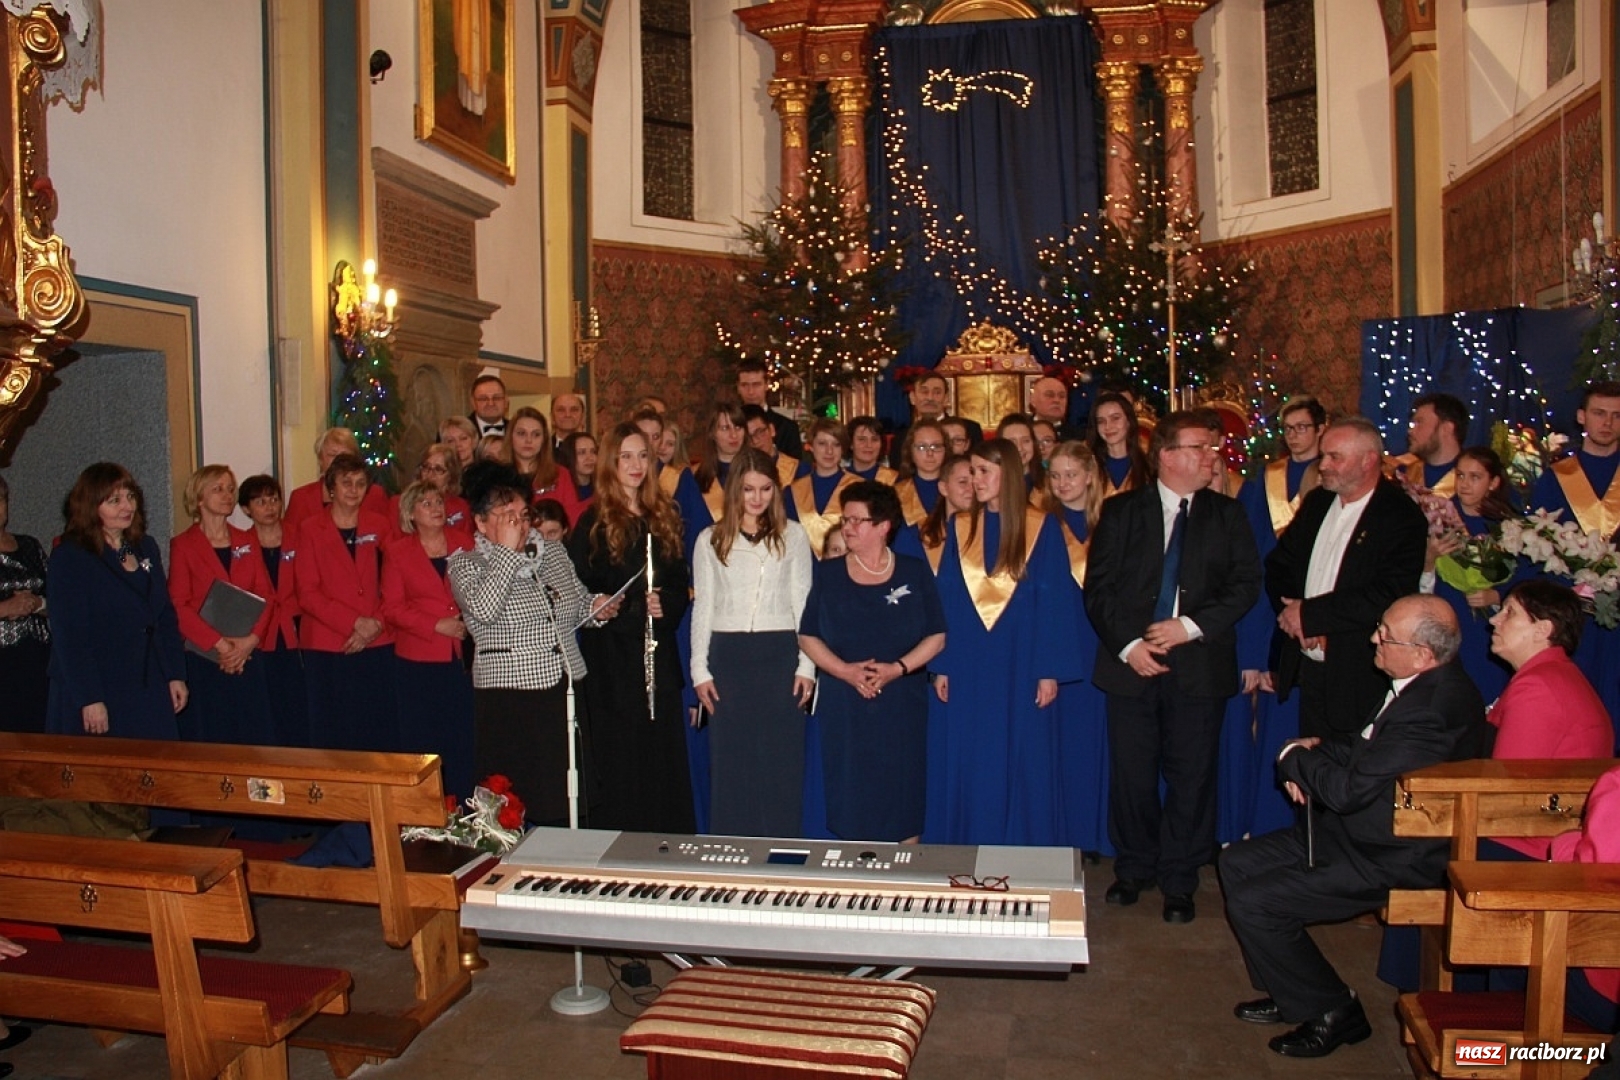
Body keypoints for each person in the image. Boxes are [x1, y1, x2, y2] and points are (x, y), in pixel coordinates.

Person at [1219, 594, 1488, 1060]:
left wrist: (1293, 757)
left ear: (1422, 654)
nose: (1373, 639)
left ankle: (1336, 1009)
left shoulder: (1433, 708)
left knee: (1255, 902)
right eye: (1380, 626)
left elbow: (1346, 791)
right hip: (1359, 834)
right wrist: (1312, 751)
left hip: (1392, 855)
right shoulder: (1419, 683)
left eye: (1386, 635)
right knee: (1236, 862)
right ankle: (1292, 989)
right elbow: (1362, 750)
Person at [1085, 412, 1262, 922]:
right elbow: (1099, 590)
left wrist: (1190, 626)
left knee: (1193, 777)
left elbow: (1246, 585)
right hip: (1131, 666)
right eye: (1200, 447)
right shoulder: (1122, 511)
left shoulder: (1227, 515)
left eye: (1212, 447)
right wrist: (1128, 647)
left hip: (1199, 666)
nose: (1212, 456)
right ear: (1166, 454)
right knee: (1132, 776)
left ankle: (1180, 877)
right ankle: (1135, 866)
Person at [928, 438, 1084, 846]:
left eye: (984, 471)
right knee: (972, 752)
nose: (975, 480)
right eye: (972, 471)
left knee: (1023, 752)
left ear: (1008, 474)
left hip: (1022, 658)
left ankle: (1022, 845)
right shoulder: (960, 527)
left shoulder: (1042, 527)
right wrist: (943, 665)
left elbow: (1054, 603)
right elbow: (948, 599)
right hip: (970, 659)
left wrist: (1049, 670)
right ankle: (969, 842)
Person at [449, 483, 621, 825]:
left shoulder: (553, 553)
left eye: (524, 515)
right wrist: (506, 553)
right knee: (516, 800)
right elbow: (484, 610)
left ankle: (567, 850)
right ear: (481, 522)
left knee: (564, 795)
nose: (520, 523)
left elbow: (574, 602)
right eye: (507, 516)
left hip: (563, 686)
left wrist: (596, 607)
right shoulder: (466, 564)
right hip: (510, 696)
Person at [798, 481, 946, 842]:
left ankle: (905, 870)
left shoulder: (913, 571)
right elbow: (808, 635)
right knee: (852, 793)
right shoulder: (828, 573)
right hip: (845, 702)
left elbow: (937, 635)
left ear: (883, 526)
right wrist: (845, 672)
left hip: (901, 701)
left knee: (903, 792)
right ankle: (858, 869)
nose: (847, 527)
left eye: (857, 520)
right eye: (845, 519)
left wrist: (898, 669)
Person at [1266, 417, 1428, 743]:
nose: (1323, 465)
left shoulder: (1400, 515)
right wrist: (1296, 619)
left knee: (1353, 767)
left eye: (1334, 457)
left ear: (1368, 460)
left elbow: (1389, 594)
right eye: (1323, 456)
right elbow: (1279, 565)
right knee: (1311, 763)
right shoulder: (1318, 502)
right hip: (1309, 664)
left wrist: (1313, 617)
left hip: (1358, 673)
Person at [566, 422, 693, 834]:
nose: (636, 465)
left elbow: (678, 582)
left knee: (660, 755)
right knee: (622, 756)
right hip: (613, 662)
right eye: (626, 457)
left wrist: (666, 604)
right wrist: (611, 606)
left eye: (643, 456)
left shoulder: (664, 515)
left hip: (658, 655)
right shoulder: (593, 523)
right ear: (610, 463)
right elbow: (580, 587)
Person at [690, 447, 815, 836]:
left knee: (782, 762)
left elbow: (803, 602)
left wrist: (807, 666)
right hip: (728, 657)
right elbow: (703, 608)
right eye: (748, 489)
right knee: (731, 763)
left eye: (765, 489)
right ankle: (731, 854)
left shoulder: (794, 535)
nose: (757, 498)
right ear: (735, 491)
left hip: (780, 655)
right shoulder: (710, 539)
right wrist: (699, 670)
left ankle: (782, 852)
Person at [46, 463, 188, 739]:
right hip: (97, 685)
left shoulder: (144, 547)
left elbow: (163, 617)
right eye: (115, 500)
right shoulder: (71, 557)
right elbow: (70, 636)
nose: (127, 506)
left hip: (147, 681)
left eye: (130, 496)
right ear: (91, 506)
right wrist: (89, 697)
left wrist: (174, 674)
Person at [1239, 395, 1326, 838]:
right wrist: (1254, 654)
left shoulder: (1332, 477)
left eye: (1302, 427)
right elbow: (1252, 562)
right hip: (1272, 614)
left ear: (1321, 428)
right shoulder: (1266, 480)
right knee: (1276, 723)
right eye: (1288, 428)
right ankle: (1270, 827)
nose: (1294, 436)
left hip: (1321, 612)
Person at [1530, 381, 1620, 735]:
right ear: (1582, 416)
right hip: (1573, 613)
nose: (1607, 423)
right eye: (1599, 413)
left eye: (1617, 416)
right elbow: (1538, 546)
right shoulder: (1556, 478)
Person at [168, 465, 277, 746]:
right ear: (198, 498)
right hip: (205, 656)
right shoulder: (183, 545)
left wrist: (251, 641)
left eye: (230, 489)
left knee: (253, 738)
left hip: (246, 655)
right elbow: (178, 605)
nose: (227, 495)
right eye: (218, 489)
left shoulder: (247, 540)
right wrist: (221, 645)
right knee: (212, 736)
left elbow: (266, 595)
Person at [294, 453, 395, 751]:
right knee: (331, 731)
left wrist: (375, 624)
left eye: (361, 483)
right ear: (331, 488)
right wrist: (354, 623)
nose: (354, 489)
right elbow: (307, 592)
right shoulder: (310, 528)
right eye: (346, 482)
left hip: (376, 640)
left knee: (375, 727)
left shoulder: (380, 525)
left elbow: (393, 582)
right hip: (327, 643)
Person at [383, 481, 475, 797]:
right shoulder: (397, 552)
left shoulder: (464, 542)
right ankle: (423, 806)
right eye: (427, 503)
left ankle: (463, 804)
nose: (437, 508)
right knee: (423, 737)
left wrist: (463, 622)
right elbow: (392, 608)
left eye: (439, 502)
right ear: (410, 513)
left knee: (461, 735)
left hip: (460, 656)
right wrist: (436, 625)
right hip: (418, 659)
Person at [1045, 441, 1109, 855]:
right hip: (1062, 640)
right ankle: (1066, 835)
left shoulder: (1113, 519)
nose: (1063, 483)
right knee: (1065, 743)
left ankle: (1100, 833)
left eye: (1070, 474)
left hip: (1104, 641)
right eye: (1055, 476)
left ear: (1089, 475)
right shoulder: (1041, 523)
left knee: (1102, 742)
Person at [1420, 446, 1521, 701]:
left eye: (1475, 477)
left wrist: (1497, 596)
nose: (1464, 484)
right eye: (1461, 475)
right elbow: (1417, 580)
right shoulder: (1439, 519)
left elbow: (1525, 579)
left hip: (1485, 628)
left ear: (1493, 482)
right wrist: (1429, 558)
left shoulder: (1508, 526)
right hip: (1446, 617)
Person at [237, 474, 308, 747]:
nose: (269, 507)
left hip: (297, 630)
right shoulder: (240, 543)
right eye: (260, 502)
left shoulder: (299, 536)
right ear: (246, 509)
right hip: (260, 633)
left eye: (274, 500)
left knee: (299, 703)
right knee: (266, 704)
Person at [0, 473, 50, 733]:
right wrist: (5, 608)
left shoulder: (30, 545)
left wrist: (37, 603)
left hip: (37, 660)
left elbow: (62, 601)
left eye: (0, 499)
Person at [674, 402, 748, 561]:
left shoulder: (759, 474)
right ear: (712, 433)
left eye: (738, 427)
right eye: (725, 428)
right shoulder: (692, 477)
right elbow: (681, 529)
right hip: (705, 563)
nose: (734, 435)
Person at [282, 427, 390, 536]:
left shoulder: (374, 495)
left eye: (345, 455)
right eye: (332, 455)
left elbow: (387, 537)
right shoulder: (300, 499)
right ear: (320, 460)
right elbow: (290, 540)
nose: (339, 461)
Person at [785, 418, 858, 556]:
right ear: (811, 446)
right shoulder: (792, 491)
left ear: (842, 449)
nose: (829, 451)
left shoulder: (860, 487)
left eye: (836, 444)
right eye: (822, 443)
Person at [888, 372, 981, 468]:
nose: (930, 398)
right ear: (912, 398)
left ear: (946, 398)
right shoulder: (900, 439)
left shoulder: (970, 429)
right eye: (924, 392)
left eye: (937, 392)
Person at [898, 453, 972, 570]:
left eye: (975, 483)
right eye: (963, 482)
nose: (971, 489)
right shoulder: (915, 535)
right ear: (943, 488)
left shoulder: (989, 532)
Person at [1389, 391, 1467, 496]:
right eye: (1413, 424)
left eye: (1419, 422)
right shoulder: (1401, 474)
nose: (1410, 431)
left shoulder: (1475, 479)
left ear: (1446, 428)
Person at [392, 443, 472, 537]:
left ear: (451, 475)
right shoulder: (399, 503)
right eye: (426, 467)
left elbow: (467, 541)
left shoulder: (461, 506)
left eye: (438, 469)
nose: (430, 474)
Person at [1088, 390, 1149, 500]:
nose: (1108, 426)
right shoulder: (1087, 464)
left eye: (1115, 418)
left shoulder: (1148, 465)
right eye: (1101, 421)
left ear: (1129, 421)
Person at [736, 358, 802, 459]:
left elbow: (794, 466)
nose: (750, 392)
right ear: (738, 387)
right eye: (745, 385)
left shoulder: (787, 428)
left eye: (756, 385)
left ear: (767, 385)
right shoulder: (731, 426)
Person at [894, 420, 946, 526]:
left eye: (936, 446)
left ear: (946, 450)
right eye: (922, 447)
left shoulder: (957, 489)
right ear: (910, 451)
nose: (930, 453)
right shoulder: (897, 492)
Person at [743, 404, 805, 489]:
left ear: (772, 430)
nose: (755, 441)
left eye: (759, 432)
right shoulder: (738, 472)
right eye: (748, 437)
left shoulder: (799, 471)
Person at [557, 431, 598, 523]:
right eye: (582, 453)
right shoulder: (561, 490)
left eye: (593, 452)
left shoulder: (603, 487)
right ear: (569, 456)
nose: (589, 458)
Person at [847, 416, 897, 484]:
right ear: (851, 444)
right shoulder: (839, 479)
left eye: (874, 439)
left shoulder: (894, 480)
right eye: (862, 439)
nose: (869, 445)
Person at [469, 373, 509, 438]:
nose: (491, 403)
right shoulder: (460, 430)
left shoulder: (515, 429)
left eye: (497, 398)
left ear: (506, 401)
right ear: (473, 402)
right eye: (483, 399)